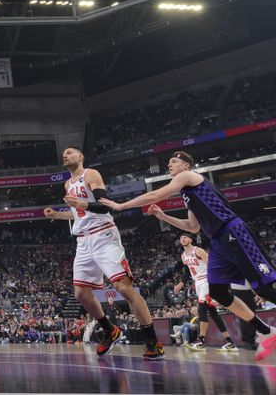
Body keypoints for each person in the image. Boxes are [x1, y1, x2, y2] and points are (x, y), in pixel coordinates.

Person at [99, 150, 276, 361]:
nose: (170, 165)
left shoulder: (189, 177)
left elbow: (156, 195)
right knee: (218, 293)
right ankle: (266, 331)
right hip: (218, 241)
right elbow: (192, 227)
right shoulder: (188, 195)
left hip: (233, 231)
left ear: (186, 165)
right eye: (169, 162)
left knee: (263, 287)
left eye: (174, 162)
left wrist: (122, 205)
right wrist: (164, 216)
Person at [44, 147, 164, 360]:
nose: (65, 154)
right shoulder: (67, 184)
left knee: (123, 287)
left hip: (103, 235)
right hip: (83, 240)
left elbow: (103, 206)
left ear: (81, 157)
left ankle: (152, 340)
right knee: (80, 295)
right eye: (63, 153)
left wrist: (81, 203)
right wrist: (58, 215)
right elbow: (77, 213)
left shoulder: (90, 174)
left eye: (70, 152)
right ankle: (110, 330)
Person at [173, 232, 237, 351]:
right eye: (181, 238)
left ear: (191, 239)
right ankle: (230, 342)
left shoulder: (198, 251)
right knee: (213, 313)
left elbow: (211, 265)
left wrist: (216, 281)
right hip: (198, 283)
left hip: (207, 281)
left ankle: (201, 341)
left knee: (201, 310)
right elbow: (187, 271)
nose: (183, 239)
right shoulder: (183, 256)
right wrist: (181, 283)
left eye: (185, 237)